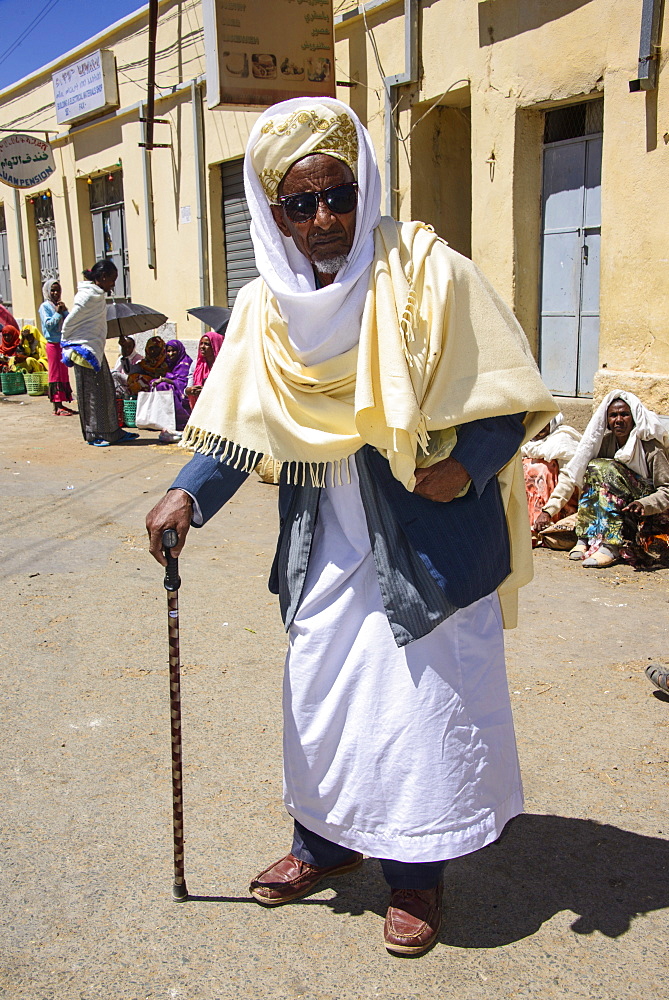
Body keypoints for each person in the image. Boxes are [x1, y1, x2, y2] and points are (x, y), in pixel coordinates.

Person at [146, 98, 556, 957]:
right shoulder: (266, 309)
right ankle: (325, 847)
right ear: (274, 212)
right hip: (322, 547)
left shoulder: (427, 274)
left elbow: (508, 397)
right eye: (302, 204)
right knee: (322, 704)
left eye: (339, 196)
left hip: (429, 545)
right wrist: (187, 492)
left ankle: (414, 876)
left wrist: (468, 466)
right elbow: (241, 429)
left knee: (418, 713)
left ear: (363, 187)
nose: (325, 218)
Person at [535, 391, 669, 567]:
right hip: (617, 507)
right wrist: (548, 511)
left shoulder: (651, 448)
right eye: (613, 415)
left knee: (606, 467)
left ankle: (611, 545)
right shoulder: (605, 443)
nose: (618, 420)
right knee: (593, 467)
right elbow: (573, 474)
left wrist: (645, 503)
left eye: (624, 414)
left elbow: (666, 490)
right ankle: (586, 538)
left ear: (634, 417)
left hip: (644, 512)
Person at [60, 260, 138, 447]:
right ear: (103, 278)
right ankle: (94, 433)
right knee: (92, 394)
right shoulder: (87, 296)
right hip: (83, 351)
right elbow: (71, 321)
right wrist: (67, 341)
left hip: (95, 348)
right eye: (112, 280)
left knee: (105, 391)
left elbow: (95, 323)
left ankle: (112, 432)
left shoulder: (97, 296)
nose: (113, 284)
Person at [521, 414, 580, 543]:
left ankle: (544, 528)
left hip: (559, 506)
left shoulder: (563, 440)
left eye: (544, 421)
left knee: (542, 468)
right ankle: (525, 526)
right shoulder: (525, 443)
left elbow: (568, 480)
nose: (540, 426)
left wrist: (548, 511)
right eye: (536, 421)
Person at [39, 278, 75, 416]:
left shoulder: (59, 305)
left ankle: (63, 403)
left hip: (63, 343)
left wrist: (64, 311)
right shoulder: (45, 307)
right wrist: (57, 313)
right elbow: (49, 324)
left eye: (58, 290)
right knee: (55, 374)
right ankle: (56, 405)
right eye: (52, 290)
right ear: (48, 291)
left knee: (63, 373)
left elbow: (69, 322)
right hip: (52, 345)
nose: (55, 293)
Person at [150, 339, 192, 432]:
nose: (170, 354)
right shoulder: (169, 363)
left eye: (174, 351)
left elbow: (183, 382)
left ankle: (178, 420)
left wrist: (164, 379)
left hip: (183, 393)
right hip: (175, 387)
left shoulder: (185, 363)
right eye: (168, 351)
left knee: (164, 386)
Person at [184, 332, 224, 409]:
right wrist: (190, 390)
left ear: (215, 346)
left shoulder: (223, 366)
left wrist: (207, 391)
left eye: (207, 344)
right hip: (200, 407)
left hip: (219, 407)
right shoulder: (196, 365)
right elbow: (188, 388)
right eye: (201, 343)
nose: (202, 347)